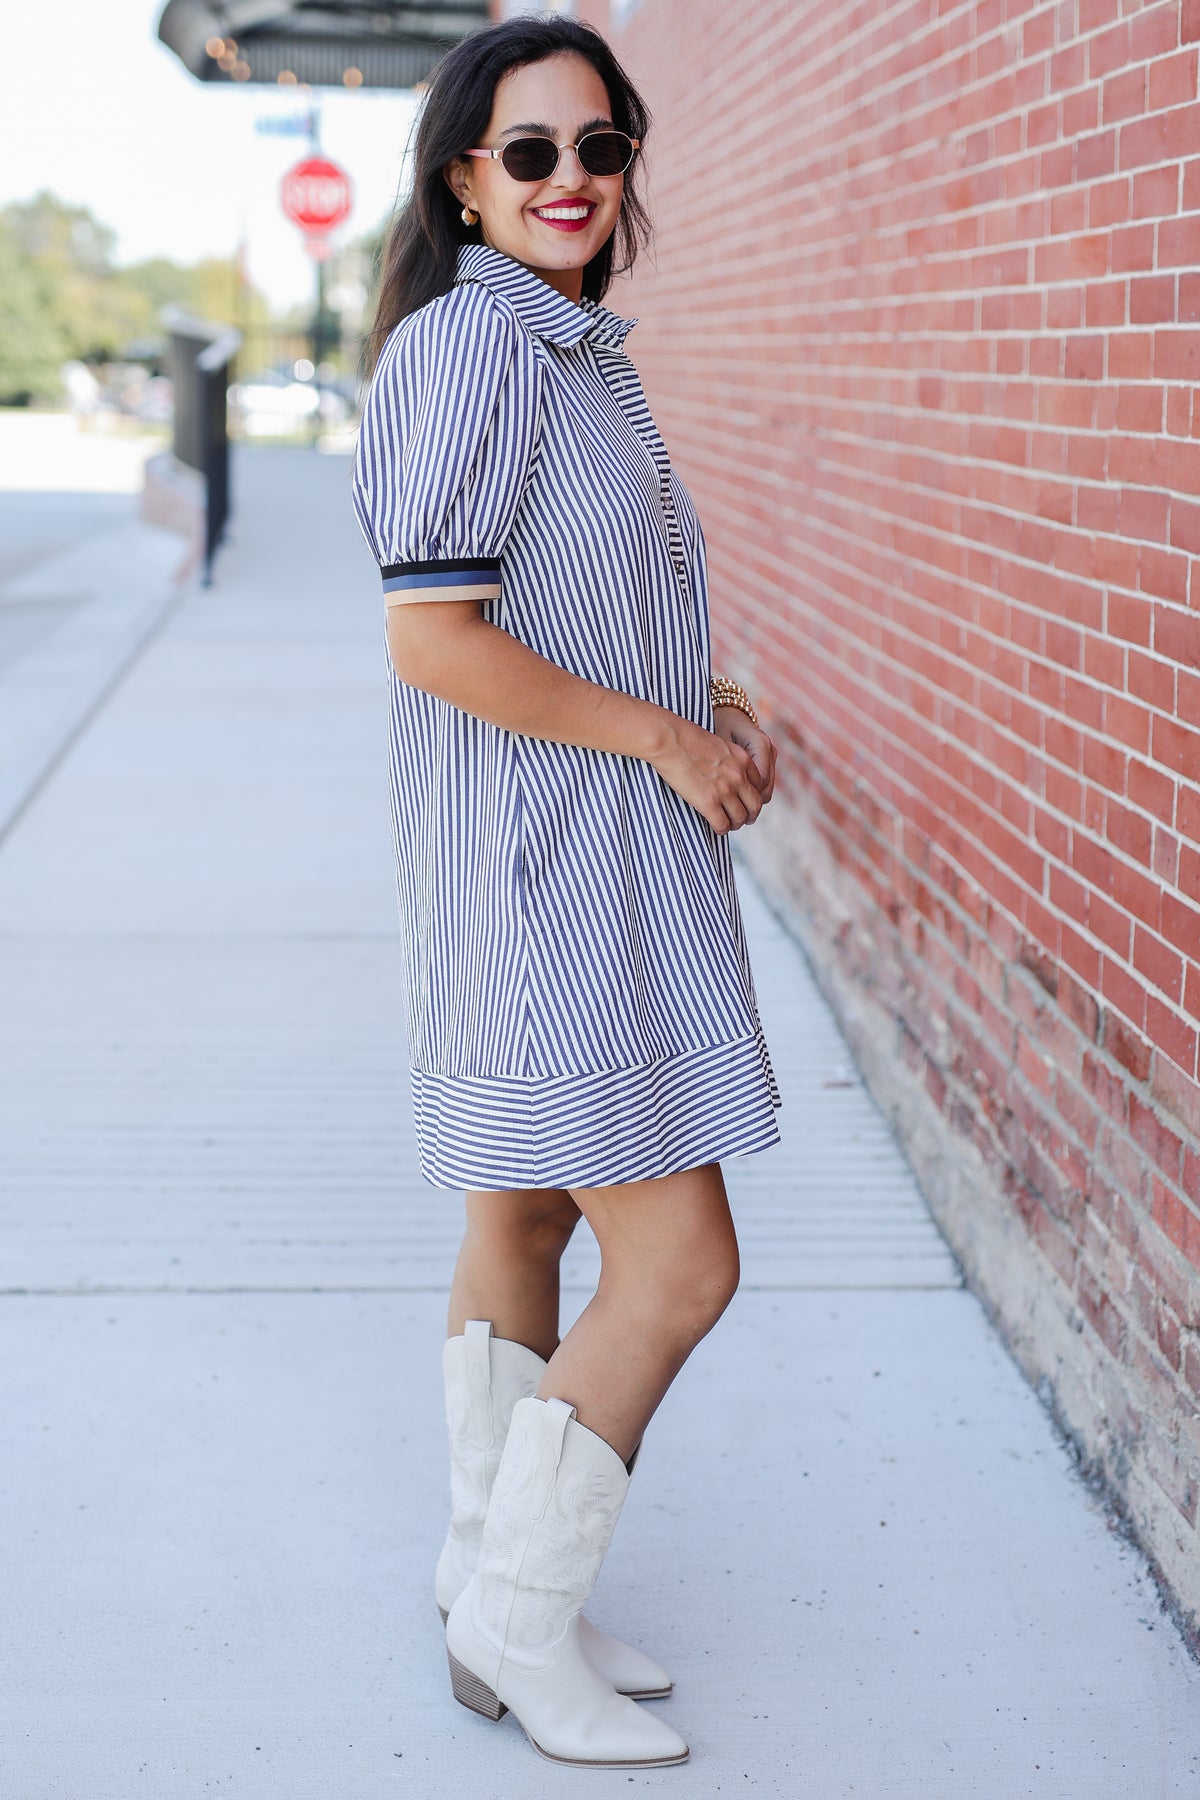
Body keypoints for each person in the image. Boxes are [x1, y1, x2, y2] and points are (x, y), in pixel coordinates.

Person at [353, 14, 782, 1771]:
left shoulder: (578, 355)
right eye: (530, 152)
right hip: (548, 876)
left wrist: (709, 704)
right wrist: (665, 747)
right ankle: (521, 1630)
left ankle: (486, 1572)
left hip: (563, 855)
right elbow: (433, 635)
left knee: (525, 1219)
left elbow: (567, 597)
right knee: (678, 1265)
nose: (572, 181)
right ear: (464, 174)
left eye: (599, 148)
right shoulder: (473, 348)